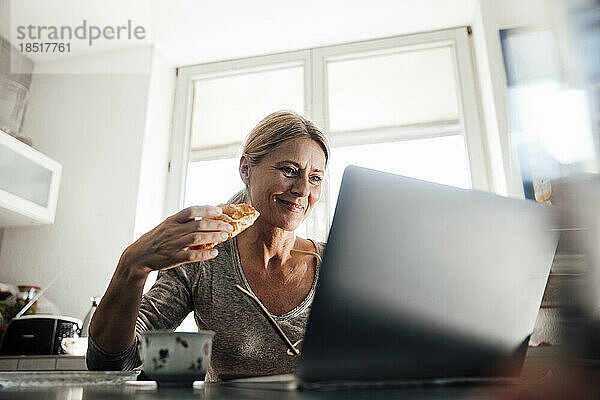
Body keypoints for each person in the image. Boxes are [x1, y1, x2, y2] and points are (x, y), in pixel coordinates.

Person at [86, 111, 330, 381]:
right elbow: (112, 362)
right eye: (289, 170)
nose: (303, 189)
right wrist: (132, 266)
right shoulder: (202, 258)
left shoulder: (334, 262)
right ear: (246, 170)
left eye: (315, 178)